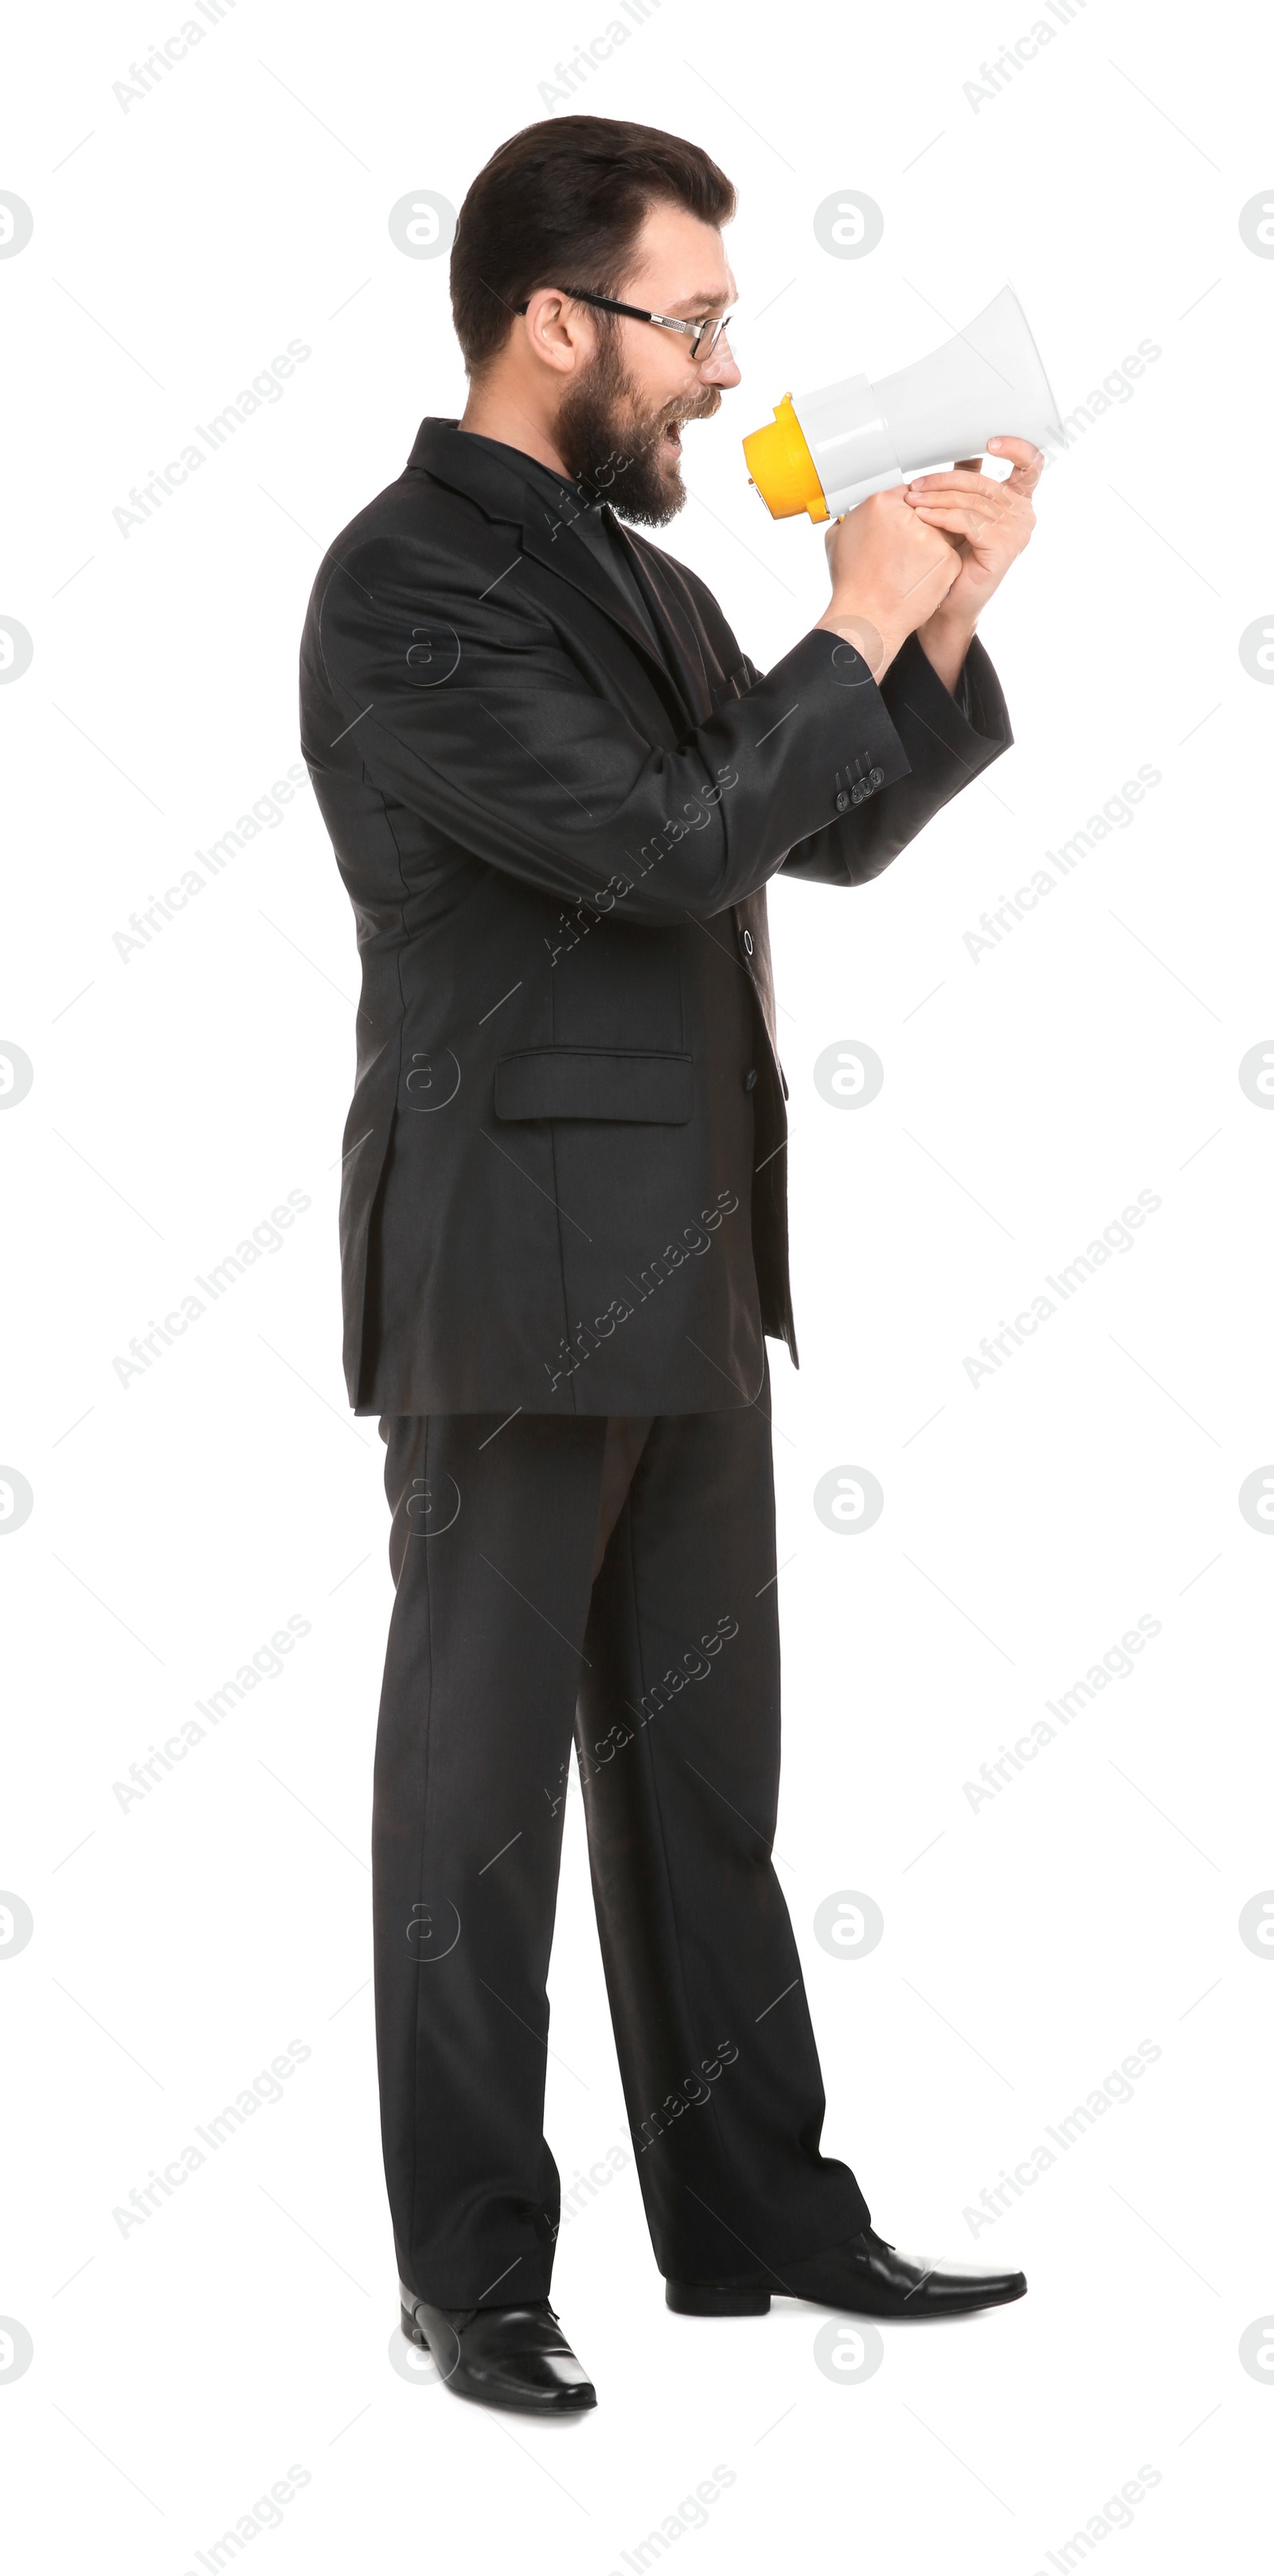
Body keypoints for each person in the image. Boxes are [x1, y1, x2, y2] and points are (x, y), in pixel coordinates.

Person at [299, 114, 1040, 2414]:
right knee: (481, 1807)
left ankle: (757, 2215)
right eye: (695, 323)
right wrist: (840, 615)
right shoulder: (405, 583)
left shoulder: (631, 571)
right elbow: (660, 842)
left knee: (709, 1777)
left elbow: (794, 835)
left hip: (693, 1262)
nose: (728, 372)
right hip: (509, 1289)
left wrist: (938, 620)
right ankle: (474, 2272)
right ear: (556, 321)